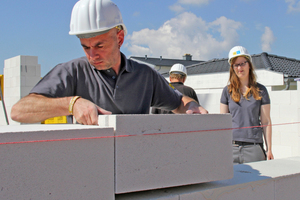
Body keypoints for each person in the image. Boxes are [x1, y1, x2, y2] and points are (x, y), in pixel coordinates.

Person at [11, 0, 207, 126]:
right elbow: (19, 111)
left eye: (99, 45)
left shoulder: (145, 77)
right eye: (85, 47)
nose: (92, 55)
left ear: (119, 38)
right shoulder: (72, 72)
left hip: (135, 173)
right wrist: (72, 104)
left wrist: (192, 106)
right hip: (90, 175)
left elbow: (179, 102)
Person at [220, 46, 274, 164]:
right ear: (232, 68)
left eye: (243, 63)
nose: (240, 68)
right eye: (236, 65)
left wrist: (269, 149)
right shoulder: (227, 91)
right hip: (231, 147)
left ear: (249, 64)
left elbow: (266, 122)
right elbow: (223, 122)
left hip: (254, 148)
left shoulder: (261, 90)